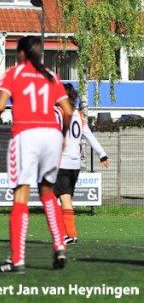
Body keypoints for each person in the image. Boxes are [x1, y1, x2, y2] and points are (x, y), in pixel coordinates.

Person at [0, 35, 73, 273]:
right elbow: (67, 111)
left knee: (21, 194)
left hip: (27, 134)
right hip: (52, 135)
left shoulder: (14, 73)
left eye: (17, 51)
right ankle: (59, 245)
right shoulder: (51, 75)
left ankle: (17, 259)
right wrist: (63, 136)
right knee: (48, 191)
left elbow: (1, 105)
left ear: (23, 53)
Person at [54, 83, 110, 245]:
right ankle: (66, 234)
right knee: (64, 198)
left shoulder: (57, 112)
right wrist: (102, 154)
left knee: (58, 198)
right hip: (75, 164)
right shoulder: (78, 114)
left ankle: (69, 234)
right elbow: (89, 136)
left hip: (61, 162)